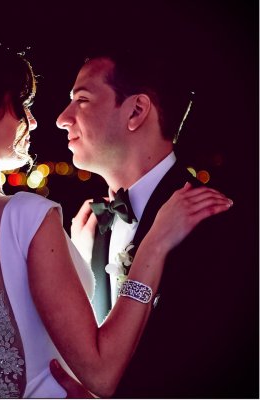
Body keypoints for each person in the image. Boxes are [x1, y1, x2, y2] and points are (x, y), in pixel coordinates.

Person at [0, 31, 232, 398]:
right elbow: (96, 365)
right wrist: (152, 247)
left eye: (81, 100)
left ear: (137, 111)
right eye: (20, 106)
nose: (51, 120)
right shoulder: (31, 217)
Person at [54, 47, 254, 397]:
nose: (62, 118)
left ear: (136, 111)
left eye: (81, 100)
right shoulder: (91, 228)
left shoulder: (213, 222)